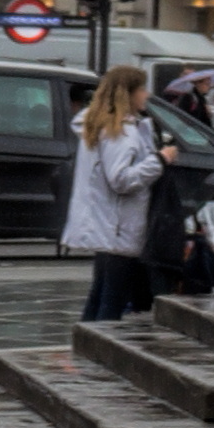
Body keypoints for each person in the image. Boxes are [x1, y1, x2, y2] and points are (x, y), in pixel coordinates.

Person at [64, 64, 164, 331]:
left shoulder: (101, 125)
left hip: (106, 222)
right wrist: (160, 161)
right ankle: (98, 353)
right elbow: (121, 180)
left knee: (101, 294)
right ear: (128, 94)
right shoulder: (121, 131)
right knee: (111, 299)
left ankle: (85, 346)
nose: (147, 94)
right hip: (118, 225)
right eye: (142, 88)